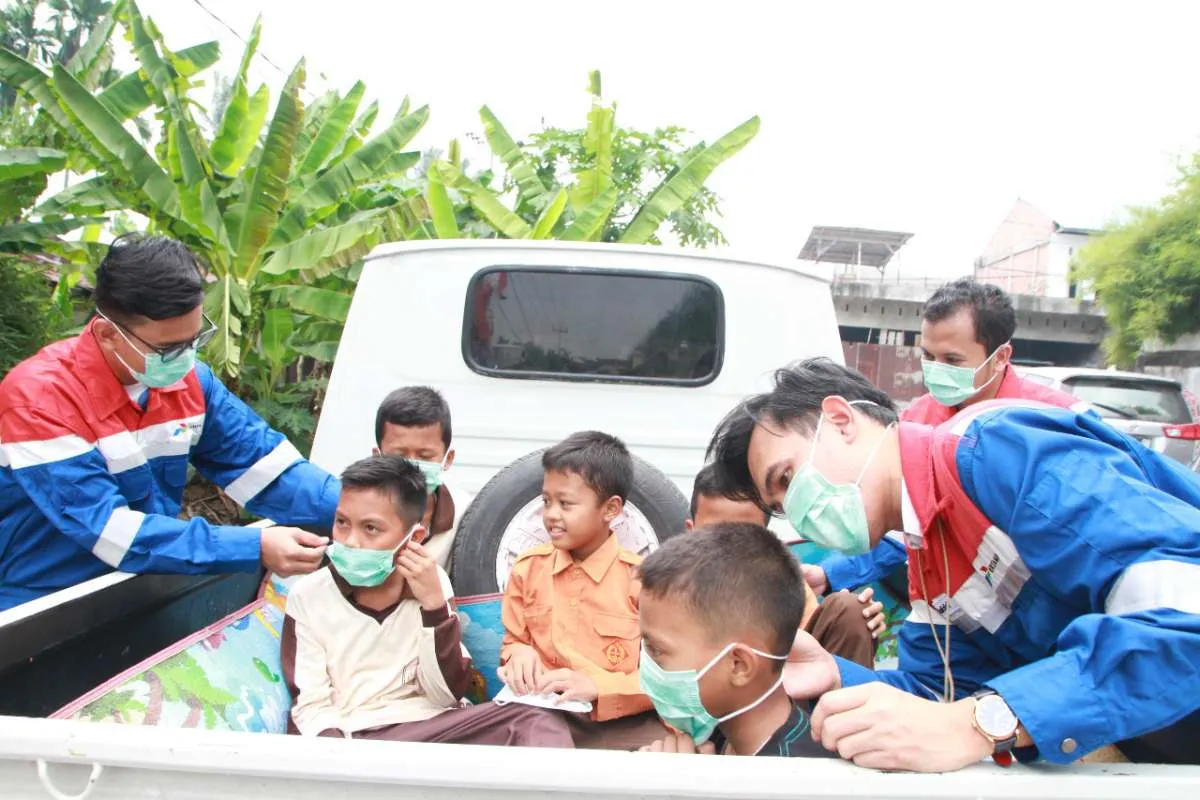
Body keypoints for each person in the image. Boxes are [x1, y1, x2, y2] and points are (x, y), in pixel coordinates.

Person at [706, 357, 1200, 770]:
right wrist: (835, 674)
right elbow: (940, 691)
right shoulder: (927, 551)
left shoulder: (996, 453)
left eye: (789, 478)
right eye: (780, 505)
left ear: (840, 419)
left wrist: (980, 724)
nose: (798, 511)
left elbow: (1185, 616)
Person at [0, 235, 336, 610]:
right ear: (108, 334)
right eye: (168, 348)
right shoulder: (39, 401)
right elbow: (113, 532)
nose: (185, 358)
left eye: (194, 340)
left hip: (141, 585)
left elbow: (266, 467)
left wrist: (361, 510)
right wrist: (253, 546)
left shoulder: (192, 382)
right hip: (37, 604)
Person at [805, 278, 1090, 606]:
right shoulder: (915, 423)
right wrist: (831, 574)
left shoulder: (1060, 420)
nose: (936, 371)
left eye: (952, 361)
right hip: (946, 616)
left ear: (1000, 357)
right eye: (928, 356)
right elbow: (903, 526)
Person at [281, 455, 572, 746]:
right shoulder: (309, 595)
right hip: (355, 733)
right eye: (342, 523)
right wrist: (336, 753)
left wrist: (434, 608)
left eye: (371, 529)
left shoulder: (431, 583)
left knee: (535, 719)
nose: (352, 541)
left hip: (431, 727)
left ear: (413, 537)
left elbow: (444, 694)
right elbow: (310, 705)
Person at [499, 430, 667, 749]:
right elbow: (514, 641)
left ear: (611, 509)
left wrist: (598, 687)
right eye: (546, 501)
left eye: (566, 504)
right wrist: (518, 654)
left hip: (618, 722)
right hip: (542, 719)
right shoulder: (528, 569)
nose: (551, 515)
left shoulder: (643, 583)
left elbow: (666, 680)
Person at [637, 523, 834, 758]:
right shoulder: (721, 730)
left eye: (656, 650)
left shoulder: (799, 779)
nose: (644, 664)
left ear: (738, 665)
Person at [687, 464, 884, 668]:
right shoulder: (662, 585)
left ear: (766, 537)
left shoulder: (782, 580)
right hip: (695, 691)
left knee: (851, 612)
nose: (728, 547)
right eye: (714, 533)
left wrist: (857, 623)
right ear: (690, 531)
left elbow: (812, 638)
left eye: (745, 535)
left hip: (782, 689)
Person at [373, 386, 470, 569]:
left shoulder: (466, 515)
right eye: (399, 455)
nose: (412, 466)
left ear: (447, 459)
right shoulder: (355, 510)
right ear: (377, 457)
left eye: (425, 456)